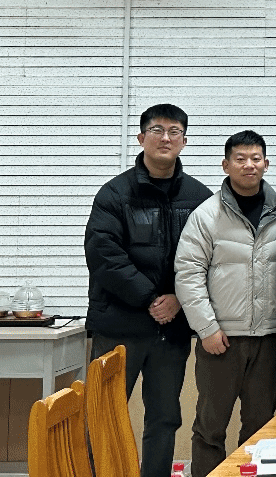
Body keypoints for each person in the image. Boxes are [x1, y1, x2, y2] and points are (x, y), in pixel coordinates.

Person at [83, 103, 212, 477]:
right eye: (157, 130)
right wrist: (150, 298)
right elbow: (103, 254)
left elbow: (211, 258)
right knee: (103, 417)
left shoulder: (201, 198)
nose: (165, 138)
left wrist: (179, 299)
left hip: (170, 332)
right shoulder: (114, 193)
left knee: (164, 418)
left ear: (184, 141)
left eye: (174, 131)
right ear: (141, 138)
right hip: (118, 329)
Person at [175, 130, 276, 477]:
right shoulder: (206, 215)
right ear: (226, 165)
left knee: (261, 428)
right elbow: (188, 274)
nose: (248, 165)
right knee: (210, 428)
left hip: (269, 338)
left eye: (255, 158)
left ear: (266, 164)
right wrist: (207, 328)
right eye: (240, 158)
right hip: (220, 340)